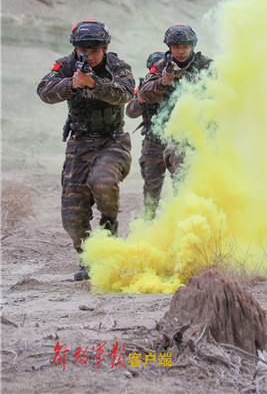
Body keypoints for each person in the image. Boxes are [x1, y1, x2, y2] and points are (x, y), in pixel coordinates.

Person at [37, 20, 135, 281]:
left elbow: (126, 94)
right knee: (72, 213)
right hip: (79, 144)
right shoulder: (66, 65)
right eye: (83, 51)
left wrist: (94, 85)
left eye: (94, 52)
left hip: (113, 141)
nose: (88, 57)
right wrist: (72, 83)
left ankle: (109, 227)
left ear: (105, 49)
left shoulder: (118, 66)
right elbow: (44, 91)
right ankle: (89, 258)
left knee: (102, 182)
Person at [138, 24, 212, 176]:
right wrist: (163, 82)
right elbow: (143, 95)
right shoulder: (160, 66)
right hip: (177, 134)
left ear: (193, 46)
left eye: (186, 46)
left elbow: (212, 88)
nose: (181, 51)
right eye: (176, 46)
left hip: (204, 130)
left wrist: (182, 75)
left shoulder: (205, 63)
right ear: (169, 47)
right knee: (182, 174)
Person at [125, 51, 167, 219]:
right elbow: (131, 112)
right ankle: (149, 219)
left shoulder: (180, 84)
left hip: (178, 140)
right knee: (151, 185)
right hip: (153, 142)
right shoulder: (145, 87)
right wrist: (143, 98)